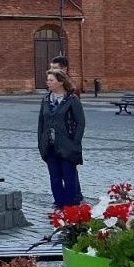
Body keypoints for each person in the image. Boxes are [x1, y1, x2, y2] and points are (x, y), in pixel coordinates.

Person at [38, 67, 85, 208]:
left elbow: (80, 123)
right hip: (50, 145)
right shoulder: (46, 99)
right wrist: (41, 142)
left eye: (51, 80)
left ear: (60, 82)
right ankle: (59, 204)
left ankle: (71, 206)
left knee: (69, 176)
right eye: (48, 80)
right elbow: (41, 122)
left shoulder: (72, 100)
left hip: (67, 145)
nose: (48, 83)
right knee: (55, 177)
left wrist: (74, 142)